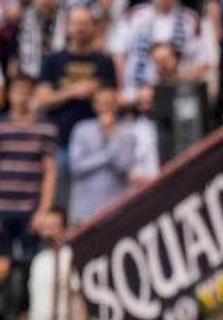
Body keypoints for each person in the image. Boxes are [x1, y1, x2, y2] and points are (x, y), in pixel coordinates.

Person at [35, 6, 117, 151]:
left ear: (94, 27)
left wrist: (96, 93)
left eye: (85, 24)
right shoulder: (53, 60)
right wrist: (73, 91)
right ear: (68, 27)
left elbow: (113, 100)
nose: (80, 28)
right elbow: (42, 101)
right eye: (76, 23)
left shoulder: (104, 61)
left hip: (96, 143)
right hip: (60, 140)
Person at [0, 74, 58, 264]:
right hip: (2, 207)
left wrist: (43, 210)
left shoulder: (45, 127)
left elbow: (50, 171)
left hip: (30, 209)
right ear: (9, 94)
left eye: (26, 92)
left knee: (31, 264)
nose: (21, 97)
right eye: (17, 92)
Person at [109, 0, 212, 106]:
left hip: (177, 93)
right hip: (136, 92)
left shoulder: (190, 19)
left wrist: (175, 79)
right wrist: (124, 89)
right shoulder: (133, 15)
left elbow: (204, 62)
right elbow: (118, 55)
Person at [67, 85, 138, 225]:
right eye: (102, 103)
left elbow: (124, 167)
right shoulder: (81, 129)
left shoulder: (128, 134)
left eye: (110, 103)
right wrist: (106, 155)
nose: (106, 107)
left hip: (116, 207)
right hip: (85, 210)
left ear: (116, 106)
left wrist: (111, 136)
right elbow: (76, 166)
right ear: (95, 105)